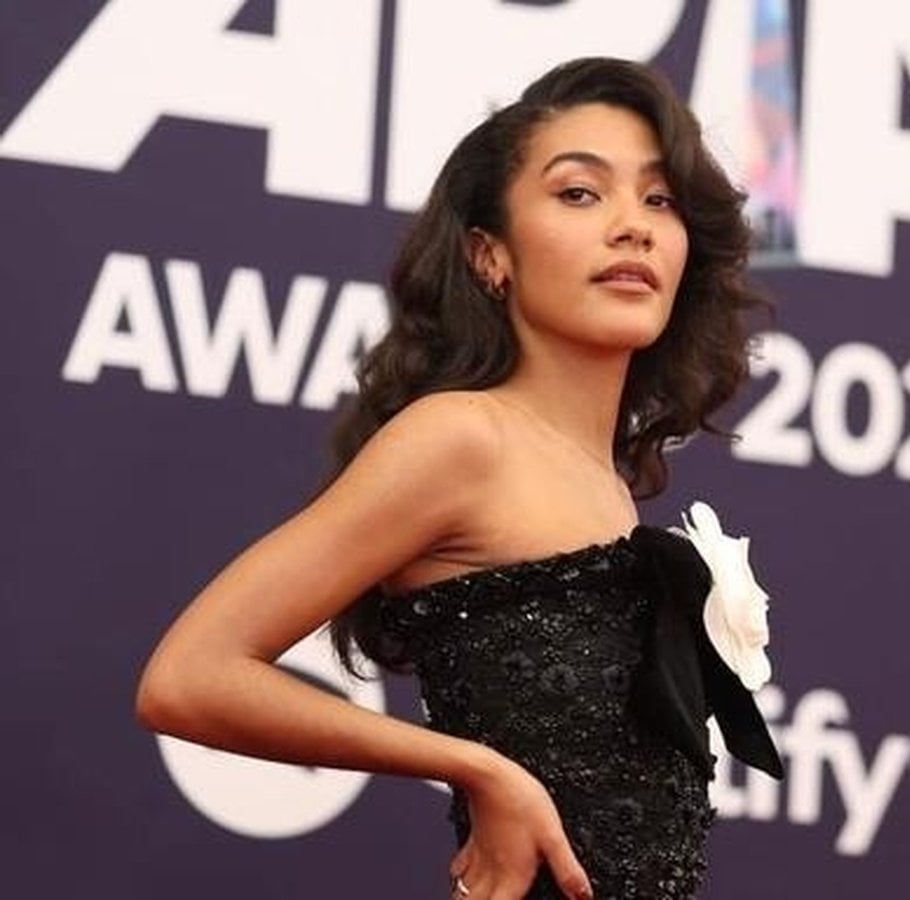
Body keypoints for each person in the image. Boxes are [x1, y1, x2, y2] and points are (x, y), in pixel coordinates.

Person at [136, 57, 781, 900]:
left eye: (659, 200)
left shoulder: (605, 483)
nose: (633, 226)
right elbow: (189, 677)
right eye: (580, 193)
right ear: (490, 255)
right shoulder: (463, 438)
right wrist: (476, 768)